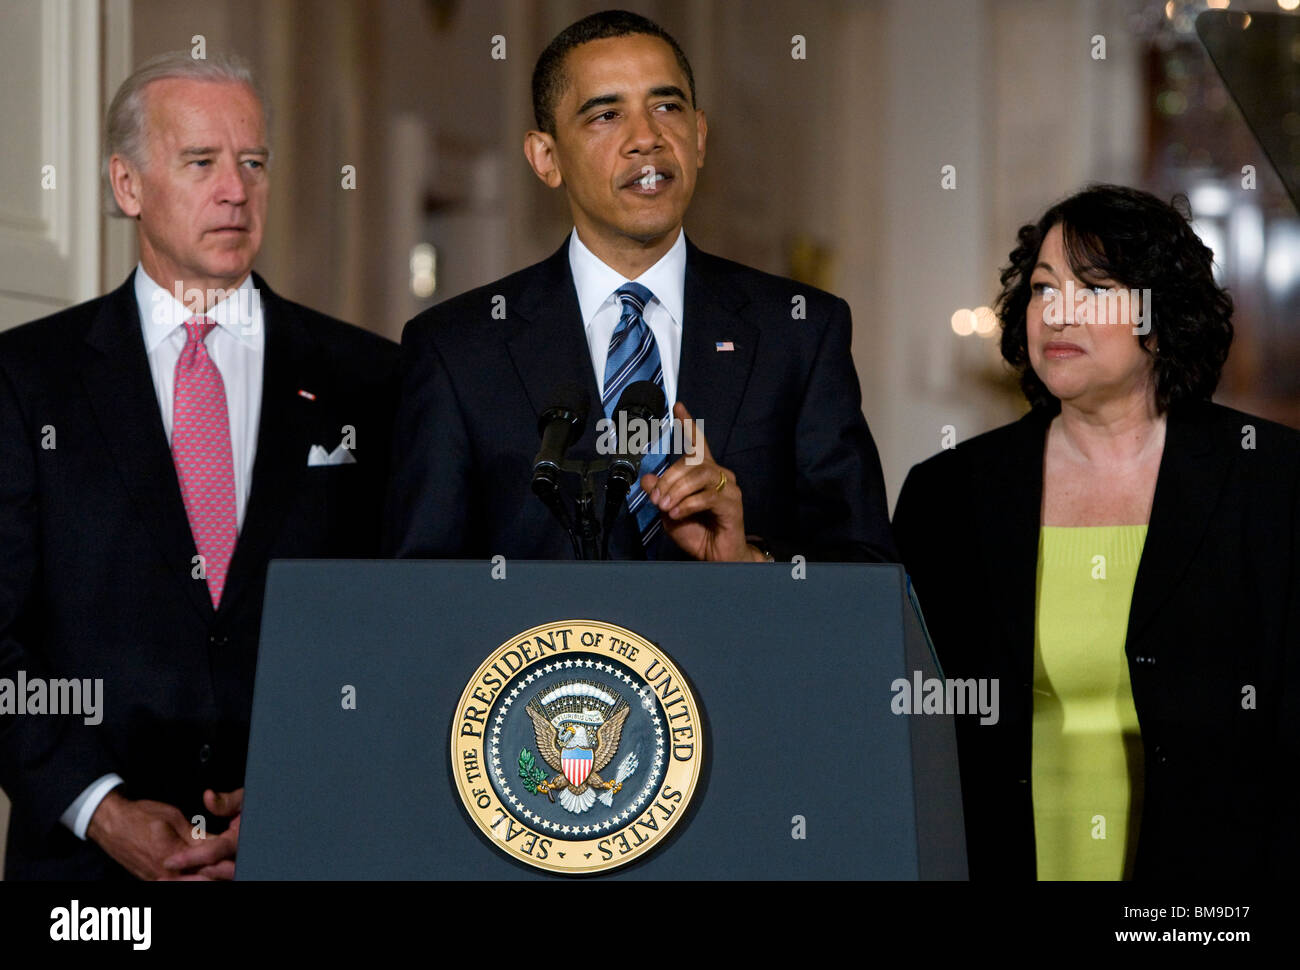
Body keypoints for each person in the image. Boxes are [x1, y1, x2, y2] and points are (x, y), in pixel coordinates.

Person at [0, 52, 398, 879]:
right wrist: (99, 809)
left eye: (252, 162)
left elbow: (402, 622)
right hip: (85, 879)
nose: (236, 190)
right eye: (201, 162)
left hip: (310, 853)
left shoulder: (369, 377)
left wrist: (310, 789)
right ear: (127, 185)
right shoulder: (25, 381)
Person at [893, 184, 1299, 880]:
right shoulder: (950, 494)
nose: (1058, 313)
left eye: (1095, 287)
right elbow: (903, 729)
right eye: (1044, 289)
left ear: (1161, 317)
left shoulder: (1271, 481)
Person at [385, 9, 895, 564]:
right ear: (546, 157)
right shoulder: (457, 349)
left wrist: (750, 563)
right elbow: (420, 593)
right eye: (606, 115)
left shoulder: (799, 333)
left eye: (666, 107)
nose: (647, 138)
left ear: (698, 138)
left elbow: (867, 571)